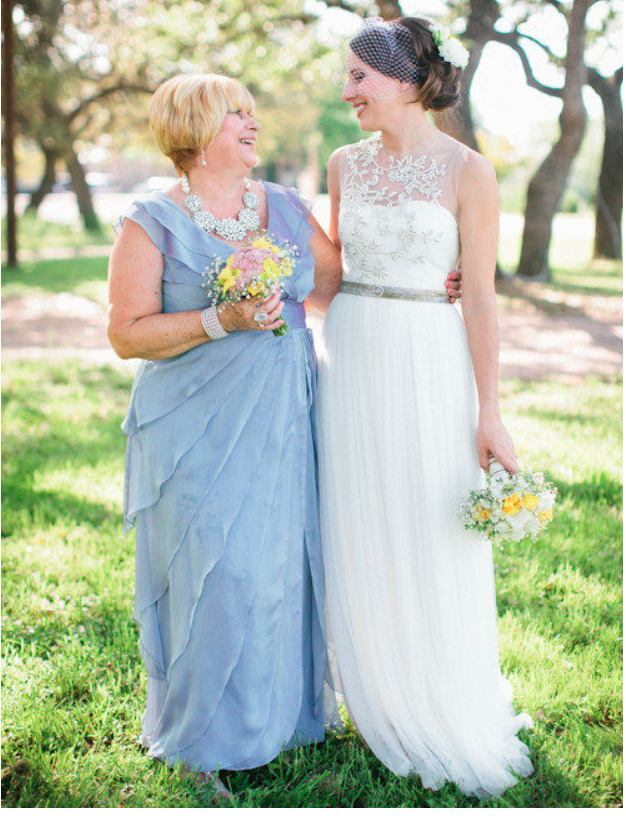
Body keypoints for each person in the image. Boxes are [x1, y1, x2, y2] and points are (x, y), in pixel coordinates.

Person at [107, 72, 345, 800]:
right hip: (193, 424)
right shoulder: (150, 220)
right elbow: (126, 334)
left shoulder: (285, 204)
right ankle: (202, 740)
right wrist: (222, 318)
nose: (252, 123)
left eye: (251, 109)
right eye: (234, 114)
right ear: (194, 132)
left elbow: (338, 286)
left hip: (284, 409)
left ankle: (281, 723)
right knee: (218, 569)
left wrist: (432, 286)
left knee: (281, 563)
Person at [317, 17, 534, 798]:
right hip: (352, 354)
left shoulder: (469, 172)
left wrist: (491, 411)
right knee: (360, 513)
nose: (348, 93)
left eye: (359, 78)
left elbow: (479, 299)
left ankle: (437, 689)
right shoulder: (344, 164)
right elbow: (335, 271)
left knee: (428, 518)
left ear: (406, 82)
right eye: (347, 77)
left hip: (428, 360)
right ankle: (370, 684)